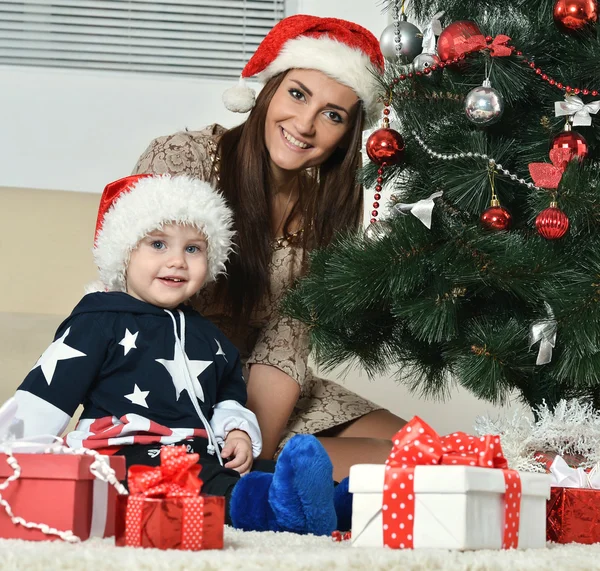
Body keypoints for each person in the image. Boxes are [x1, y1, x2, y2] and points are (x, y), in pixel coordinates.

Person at [132, 14, 407, 482]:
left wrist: (257, 442)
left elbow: (285, 346)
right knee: (390, 463)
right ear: (269, 90)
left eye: (333, 114)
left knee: (428, 450)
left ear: (347, 135)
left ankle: (263, 472)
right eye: (298, 94)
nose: (305, 124)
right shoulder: (185, 158)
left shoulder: (325, 213)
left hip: (268, 393)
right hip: (175, 379)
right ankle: (250, 477)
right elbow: (141, 302)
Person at [10, 173, 342, 535]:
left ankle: (345, 501)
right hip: (121, 456)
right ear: (124, 252)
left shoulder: (209, 338)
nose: (177, 261)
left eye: (193, 248)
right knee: (206, 487)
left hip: (199, 454)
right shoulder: (99, 321)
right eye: (157, 244)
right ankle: (278, 511)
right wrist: (14, 466)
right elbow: (44, 396)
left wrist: (238, 434)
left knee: (255, 471)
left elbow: (229, 399)